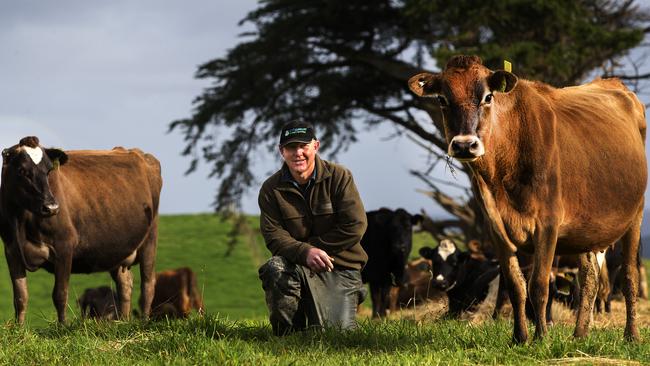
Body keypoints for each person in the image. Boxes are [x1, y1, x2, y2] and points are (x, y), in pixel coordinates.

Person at [258, 119, 368, 336]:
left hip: (340, 267)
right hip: (297, 265)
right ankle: (289, 335)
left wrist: (314, 249)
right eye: (291, 147)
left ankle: (351, 293)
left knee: (336, 335)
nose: (298, 153)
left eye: (303, 146)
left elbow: (355, 225)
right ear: (282, 151)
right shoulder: (271, 189)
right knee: (274, 268)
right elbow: (273, 235)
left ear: (315, 146)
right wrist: (305, 253)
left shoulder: (339, 176)